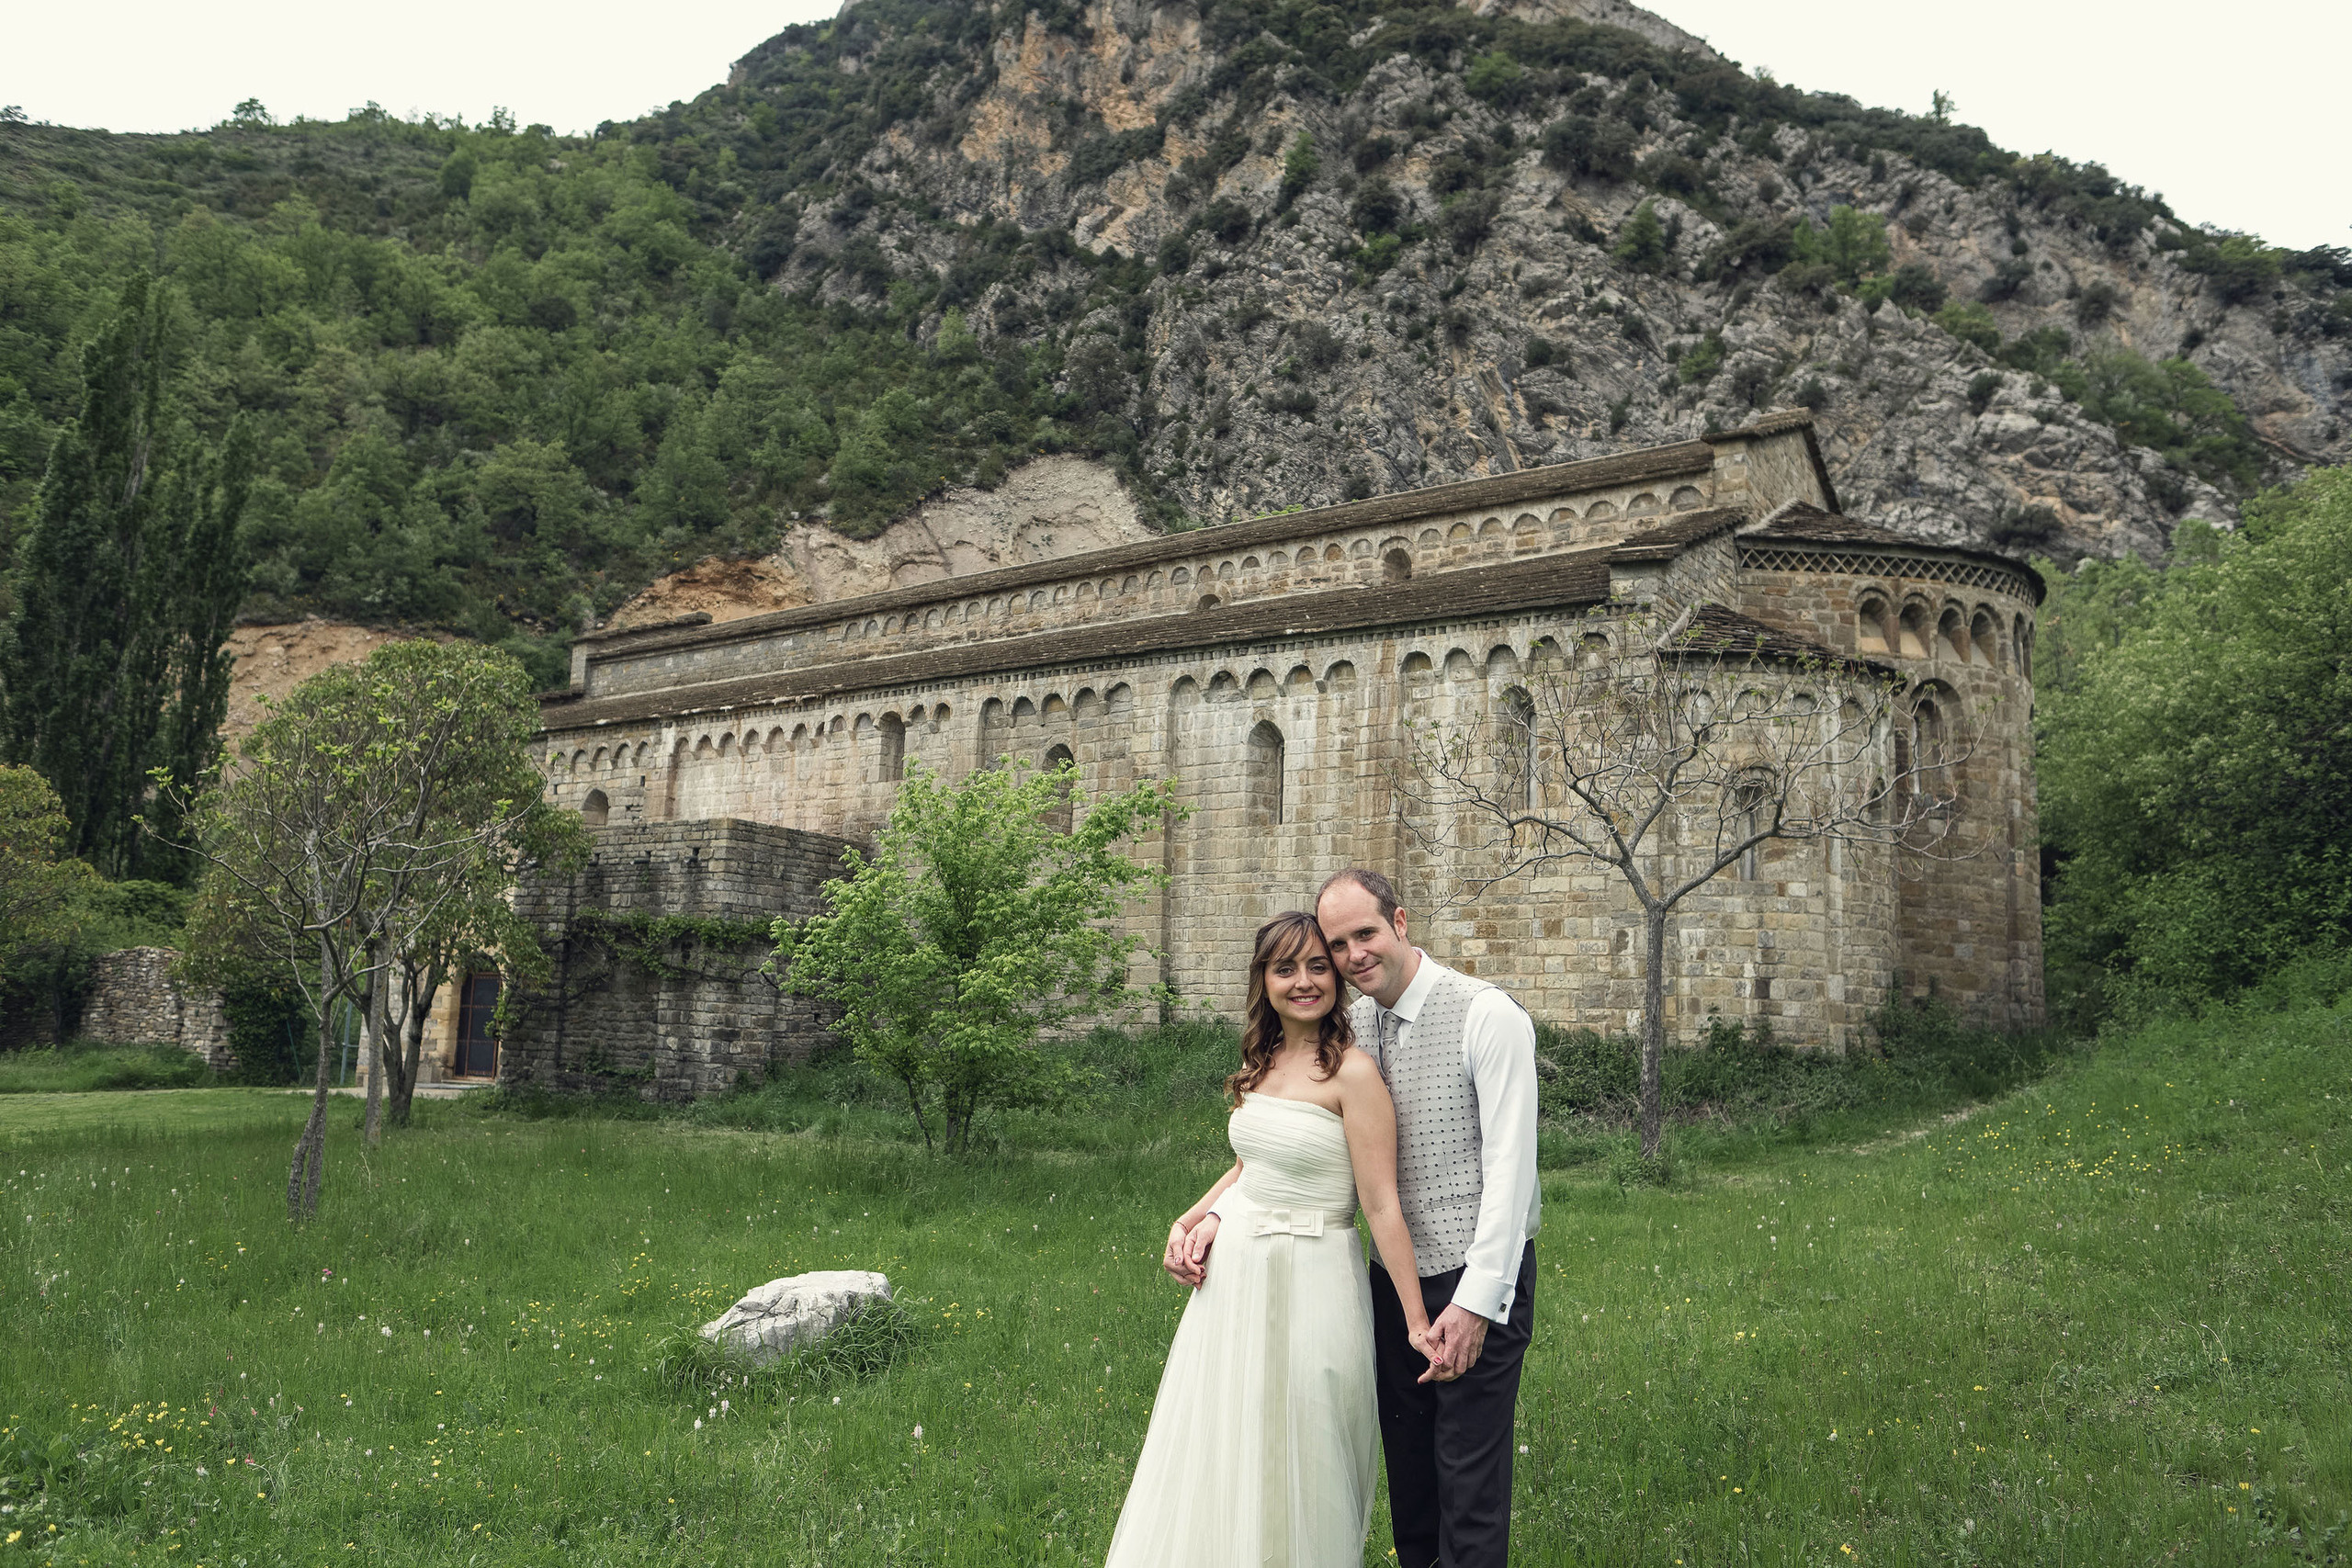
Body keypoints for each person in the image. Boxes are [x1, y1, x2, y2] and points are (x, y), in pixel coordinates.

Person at [1106, 910, 1435, 1568]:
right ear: (1265, 979)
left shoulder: (1354, 1073)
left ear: (1337, 979)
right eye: (1286, 967)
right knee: (1228, 1442)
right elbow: (1250, 1168)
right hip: (1235, 1280)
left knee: (1308, 1448)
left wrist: (1416, 1318)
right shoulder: (1260, 1062)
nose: (1305, 980)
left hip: (1319, 1276)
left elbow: (1381, 1203)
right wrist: (1191, 1217)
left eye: (1319, 965)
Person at [1317, 867, 1541, 1568]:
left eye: (1366, 933)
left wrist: (1475, 1305)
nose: (1355, 954)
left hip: (1480, 1281)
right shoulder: (1352, 1029)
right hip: (1395, 1285)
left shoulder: (1486, 1013)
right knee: (1411, 1481)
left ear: (1401, 923)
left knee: (1466, 1483)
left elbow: (1512, 1173)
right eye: (1339, 943)